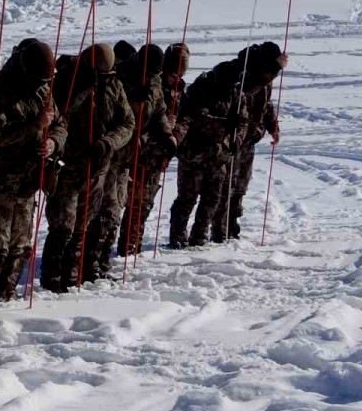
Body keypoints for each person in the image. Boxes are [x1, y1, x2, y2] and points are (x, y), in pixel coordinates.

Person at [0, 39, 64, 308]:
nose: (42, 84)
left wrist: (54, 142)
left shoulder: (42, 92)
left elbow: (60, 124)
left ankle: (6, 301)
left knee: (20, 250)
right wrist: (34, 126)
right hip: (0, 187)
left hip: (27, 186)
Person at [39, 44, 134, 292]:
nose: (104, 80)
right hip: (67, 167)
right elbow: (58, 115)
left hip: (97, 168)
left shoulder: (113, 85)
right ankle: (52, 280)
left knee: (84, 224)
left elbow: (127, 123)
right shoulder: (66, 82)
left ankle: (73, 276)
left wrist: (108, 142)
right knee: (63, 226)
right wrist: (82, 89)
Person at [83, 43, 171, 281]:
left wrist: (166, 134)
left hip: (129, 158)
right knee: (101, 212)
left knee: (115, 211)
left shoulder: (153, 81)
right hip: (108, 155)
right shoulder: (119, 75)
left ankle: (102, 263)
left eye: (156, 72)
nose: (153, 75)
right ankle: (87, 265)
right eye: (150, 70)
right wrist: (134, 96)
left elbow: (160, 110)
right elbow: (111, 111)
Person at [168, 52, 249, 248]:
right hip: (193, 155)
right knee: (186, 199)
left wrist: (236, 139)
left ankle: (199, 237)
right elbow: (194, 119)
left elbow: (243, 122)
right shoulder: (199, 91)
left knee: (212, 200)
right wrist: (224, 124)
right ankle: (177, 236)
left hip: (219, 155)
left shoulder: (236, 94)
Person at [118, 42, 187, 256]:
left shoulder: (172, 90)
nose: (175, 78)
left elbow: (168, 117)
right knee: (116, 205)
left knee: (142, 206)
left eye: (179, 75)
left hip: (154, 157)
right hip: (128, 153)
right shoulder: (129, 81)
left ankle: (131, 248)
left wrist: (171, 134)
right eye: (172, 73)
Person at [212, 42, 285, 242]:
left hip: (250, 139)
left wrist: (273, 127)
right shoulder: (245, 71)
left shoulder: (267, 75)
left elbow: (266, 104)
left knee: (240, 186)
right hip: (233, 139)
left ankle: (232, 224)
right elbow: (252, 87)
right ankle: (219, 229)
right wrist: (275, 69)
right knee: (227, 185)